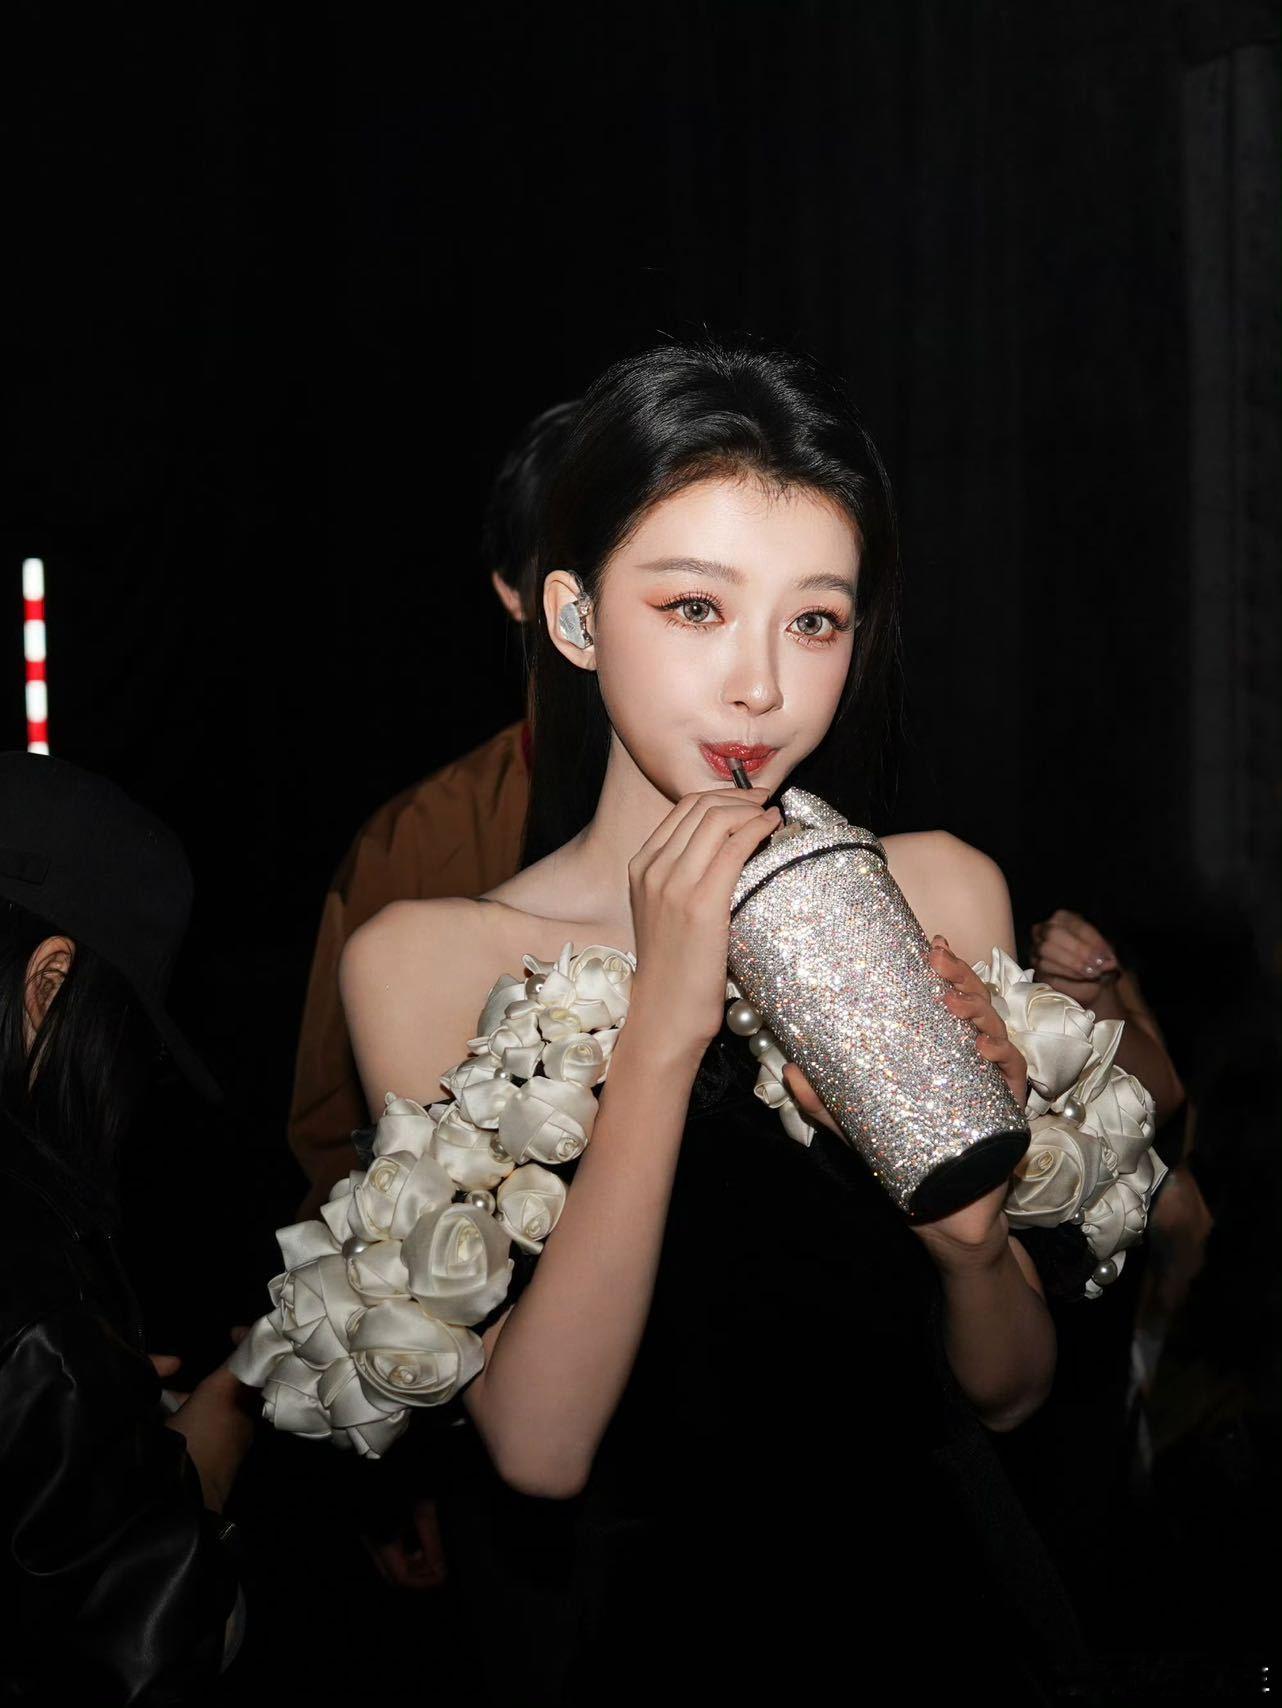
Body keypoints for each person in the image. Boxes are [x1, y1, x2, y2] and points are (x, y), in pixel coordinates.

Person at [338, 340, 1090, 1703]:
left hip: (933, 1609)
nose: (760, 686)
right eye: (694, 607)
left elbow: (1010, 1392)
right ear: (573, 619)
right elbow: (537, 1449)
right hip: (632, 1640)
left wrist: (974, 1249)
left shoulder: (932, 890)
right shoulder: (429, 959)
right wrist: (669, 1019)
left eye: (815, 622)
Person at [0, 753, 253, 1704]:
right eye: (127, 1035)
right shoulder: (38, 1277)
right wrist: (204, 1459)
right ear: (50, 983)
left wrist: (81, 1419)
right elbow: (150, 1657)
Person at [288, 400, 579, 1226]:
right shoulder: (415, 845)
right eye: (571, 571)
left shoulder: (772, 831)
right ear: (514, 591)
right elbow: (337, 1144)